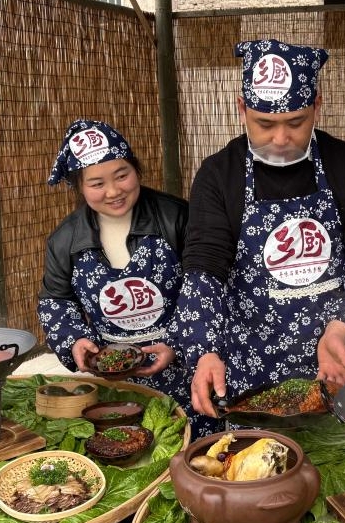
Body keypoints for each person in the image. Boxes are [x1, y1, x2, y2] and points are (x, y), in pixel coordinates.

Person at [171, 39, 345, 426]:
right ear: (242, 108)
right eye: (264, 124)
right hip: (251, 374)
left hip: (338, 361)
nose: (280, 138)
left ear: (317, 106)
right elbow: (204, 272)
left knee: (343, 457)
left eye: (296, 123)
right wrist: (204, 349)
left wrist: (339, 329)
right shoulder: (219, 175)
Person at [37, 119, 213, 433]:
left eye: (122, 175)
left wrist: (177, 344)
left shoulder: (176, 217)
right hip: (114, 380)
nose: (114, 191)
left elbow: (203, 286)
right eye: (97, 184)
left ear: (137, 170)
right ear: (79, 187)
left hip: (184, 369)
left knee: (190, 443)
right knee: (126, 445)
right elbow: (56, 301)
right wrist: (75, 340)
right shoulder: (65, 239)